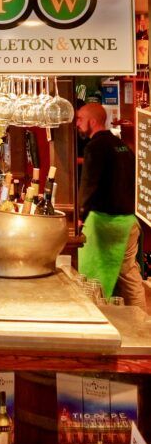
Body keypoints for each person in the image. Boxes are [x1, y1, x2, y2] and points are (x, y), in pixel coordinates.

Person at [76, 102, 145, 309]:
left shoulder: (95, 147)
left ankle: (97, 316)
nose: (77, 124)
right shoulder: (121, 145)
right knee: (130, 275)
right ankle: (143, 323)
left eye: (80, 119)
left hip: (107, 224)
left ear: (93, 121)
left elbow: (89, 183)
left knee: (91, 276)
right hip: (130, 222)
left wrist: (80, 215)